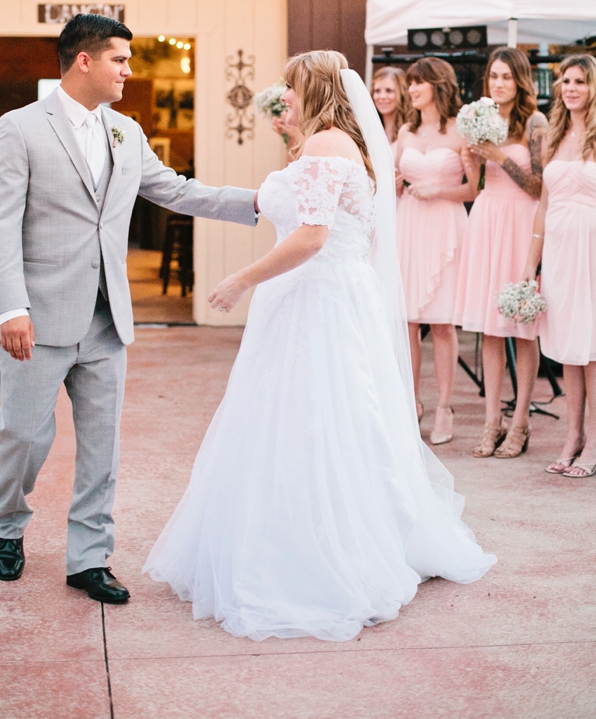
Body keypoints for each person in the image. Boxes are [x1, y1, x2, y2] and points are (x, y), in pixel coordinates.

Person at [144, 50, 495, 642]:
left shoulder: (327, 145)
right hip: (323, 292)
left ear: (312, 87)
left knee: (311, 418)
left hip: (317, 297)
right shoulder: (334, 143)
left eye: (290, 85)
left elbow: (312, 237)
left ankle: (319, 550)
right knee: (314, 418)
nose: (283, 95)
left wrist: (240, 279)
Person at [0, 13, 259, 603]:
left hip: (108, 319)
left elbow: (176, 189)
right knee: (21, 437)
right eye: (120, 60)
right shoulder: (20, 127)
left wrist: (262, 201)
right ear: (85, 60)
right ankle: (8, 525)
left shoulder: (126, 132)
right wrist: (10, 309)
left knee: (101, 449)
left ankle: (89, 558)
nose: (129, 71)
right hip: (37, 317)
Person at [455, 48, 546, 459]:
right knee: (490, 328)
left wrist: (499, 157)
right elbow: (476, 185)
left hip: (521, 222)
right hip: (487, 219)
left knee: (523, 327)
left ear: (520, 80)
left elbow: (539, 187)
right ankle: (493, 419)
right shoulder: (480, 117)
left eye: (507, 76)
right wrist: (471, 161)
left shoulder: (535, 122)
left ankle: (521, 419)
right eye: (494, 76)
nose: (498, 83)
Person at [395, 58, 475, 442]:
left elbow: (474, 189)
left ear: (438, 85)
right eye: (410, 83)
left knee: (442, 323)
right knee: (408, 322)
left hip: (445, 226)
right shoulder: (405, 131)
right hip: (409, 225)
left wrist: (438, 189)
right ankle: (411, 403)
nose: (411, 89)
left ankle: (444, 407)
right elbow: (395, 180)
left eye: (419, 83)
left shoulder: (461, 130)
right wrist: (395, 185)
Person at [523, 55, 596, 479]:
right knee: (570, 345)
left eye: (580, 82)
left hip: (591, 250)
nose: (570, 88)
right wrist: (530, 265)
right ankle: (573, 435)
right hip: (560, 253)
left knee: (592, 350)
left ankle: (593, 440)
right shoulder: (553, 135)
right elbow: (543, 206)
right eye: (566, 81)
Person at [372, 65, 412, 145]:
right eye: (377, 91)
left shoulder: (410, 129)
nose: (382, 96)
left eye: (389, 90)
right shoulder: (369, 129)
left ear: (401, 93)